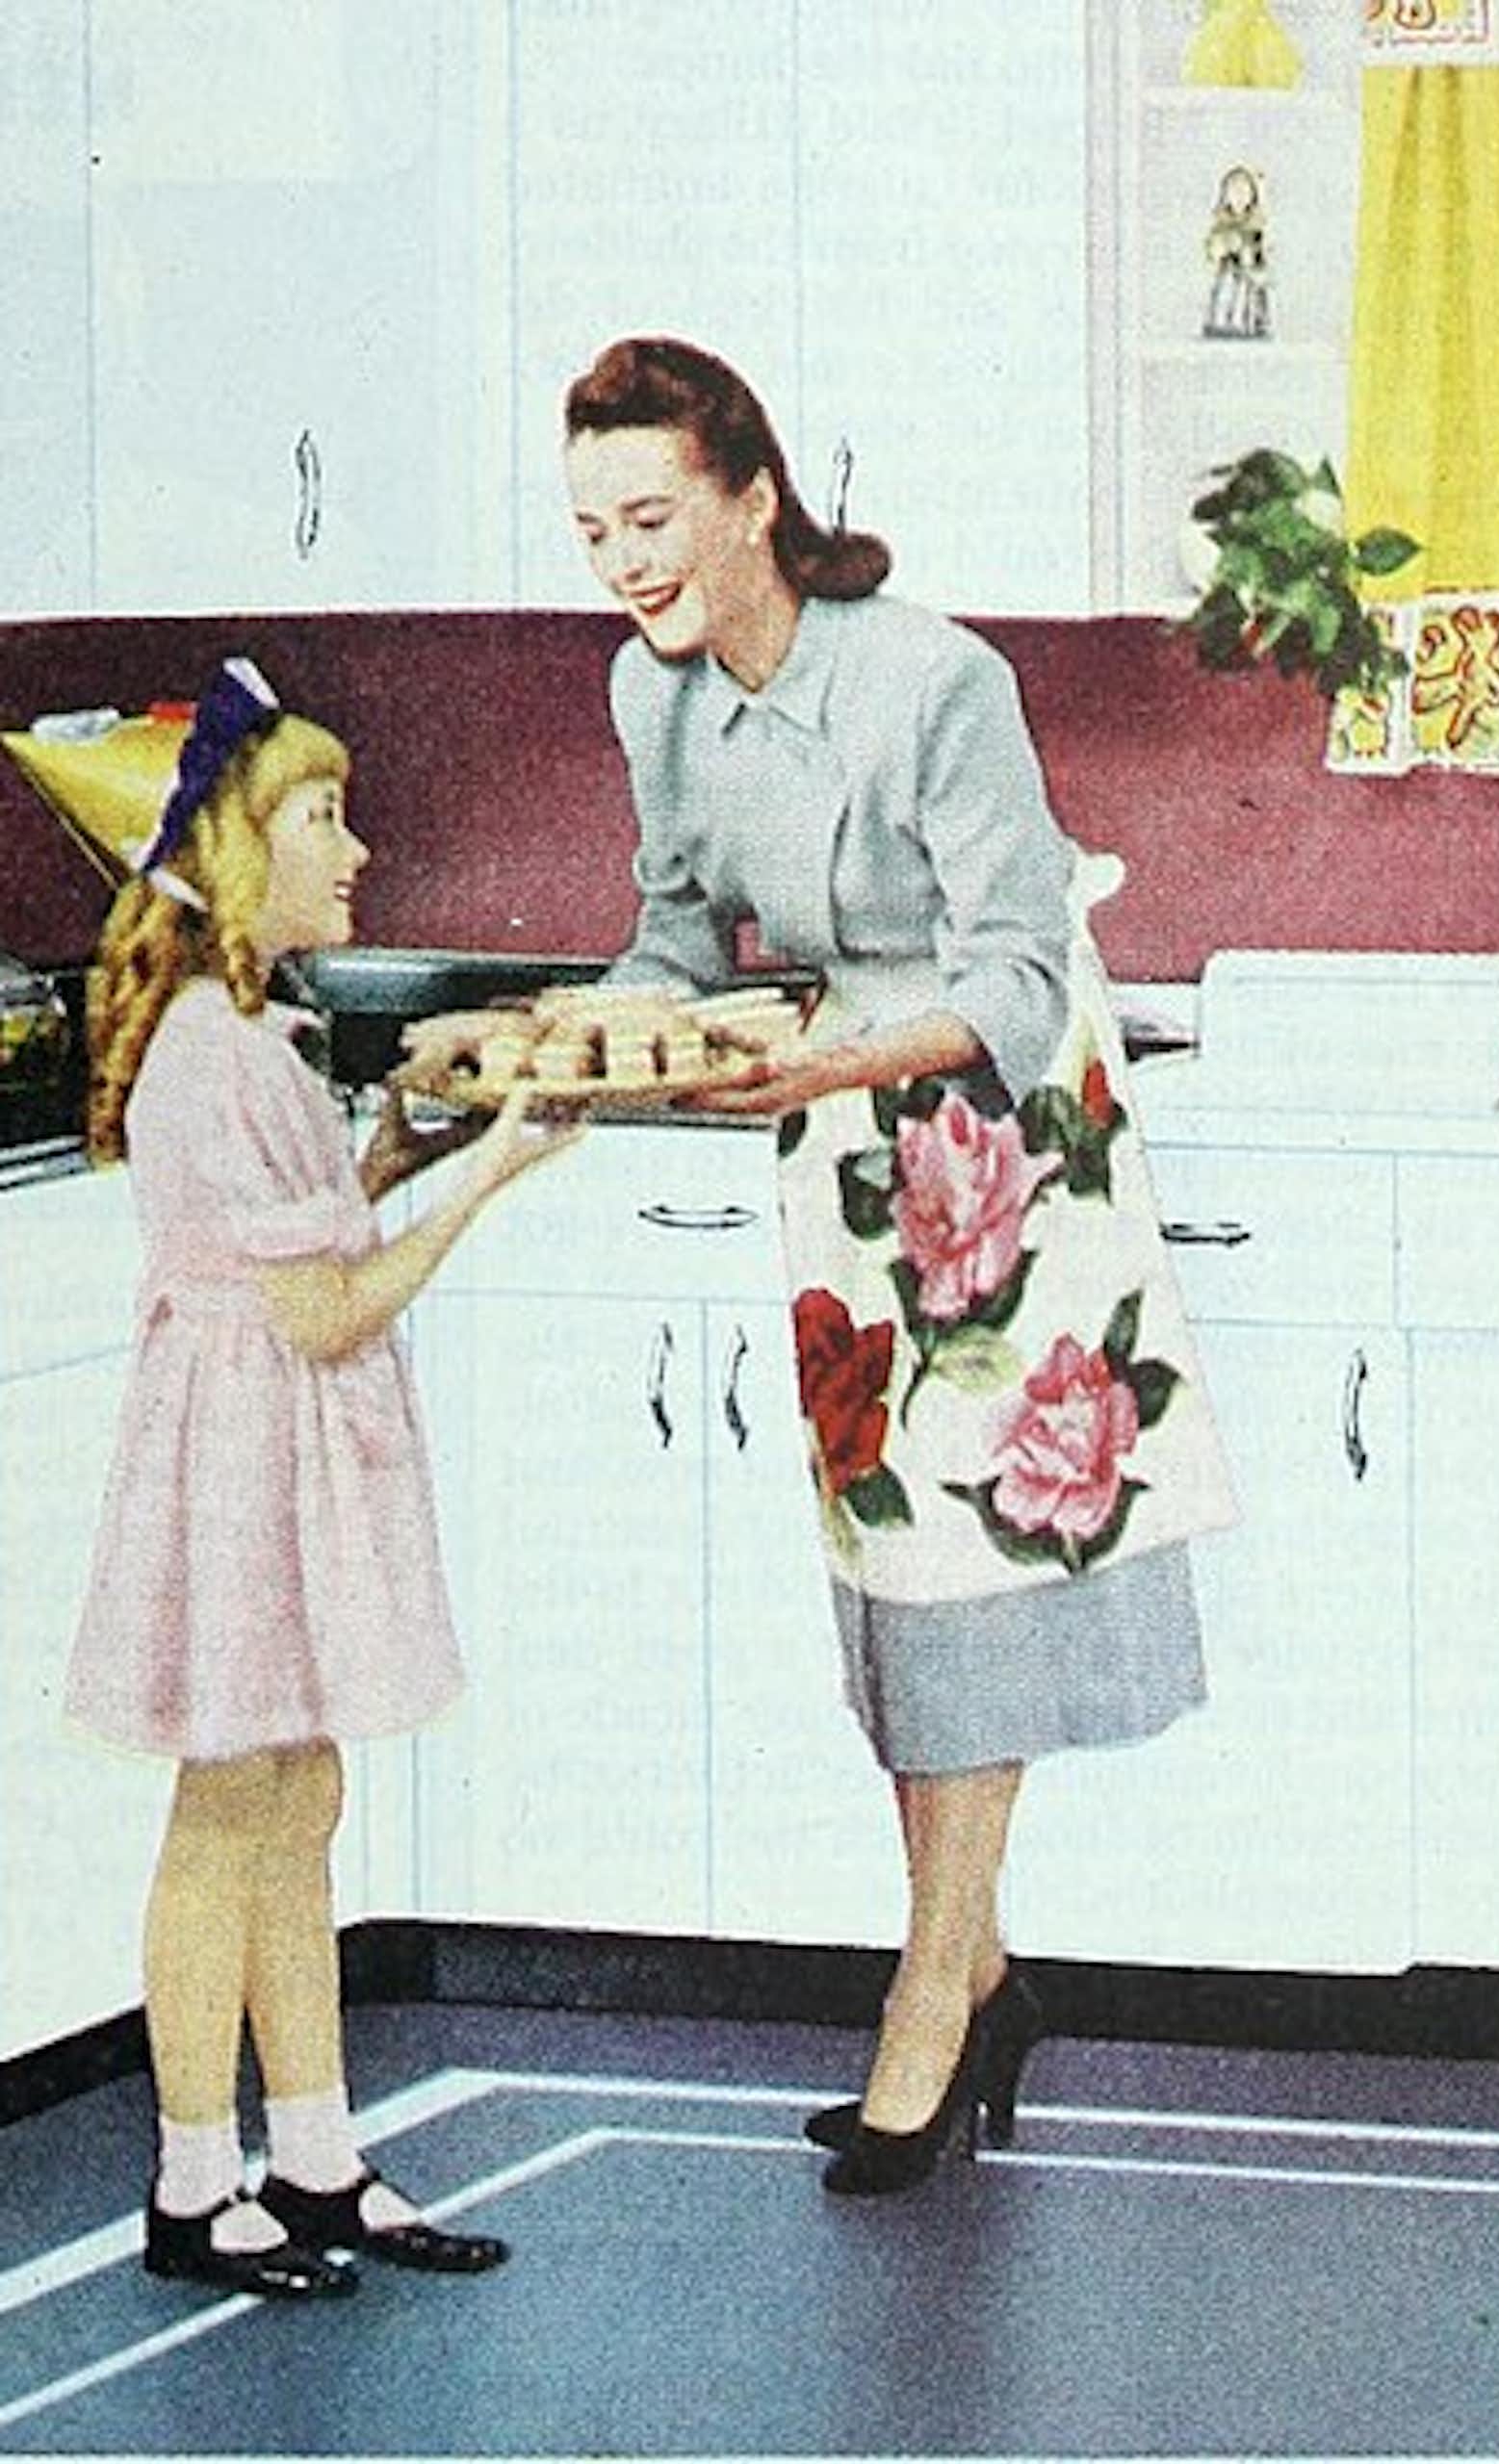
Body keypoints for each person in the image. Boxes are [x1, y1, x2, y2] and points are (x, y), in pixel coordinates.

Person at [561, 336, 1237, 2197]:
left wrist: (831, 1059)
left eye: (654, 516)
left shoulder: (938, 679)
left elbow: (1018, 977)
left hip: (1003, 1144)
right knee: (891, 1583)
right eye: (596, 527)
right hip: (841, 1150)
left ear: (754, 495)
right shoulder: (656, 698)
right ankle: (987, 1972)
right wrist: (593, 1034)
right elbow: (677, 930)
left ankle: (929, 2001)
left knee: (973, 1582)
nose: (624, 561)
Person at [42, 659, 578, 2297]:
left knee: (302, 1791)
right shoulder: (210, 1051)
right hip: (240, 1459)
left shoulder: (254, 1036)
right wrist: (492, 1170)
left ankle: (318, 2156)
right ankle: (194, 2182)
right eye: (323, 819)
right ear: (225, 851)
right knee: (233, 1804)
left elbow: (314, 1233)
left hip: (275, 1442)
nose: (357, 852)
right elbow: (325, 1303)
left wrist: (400, 1149)